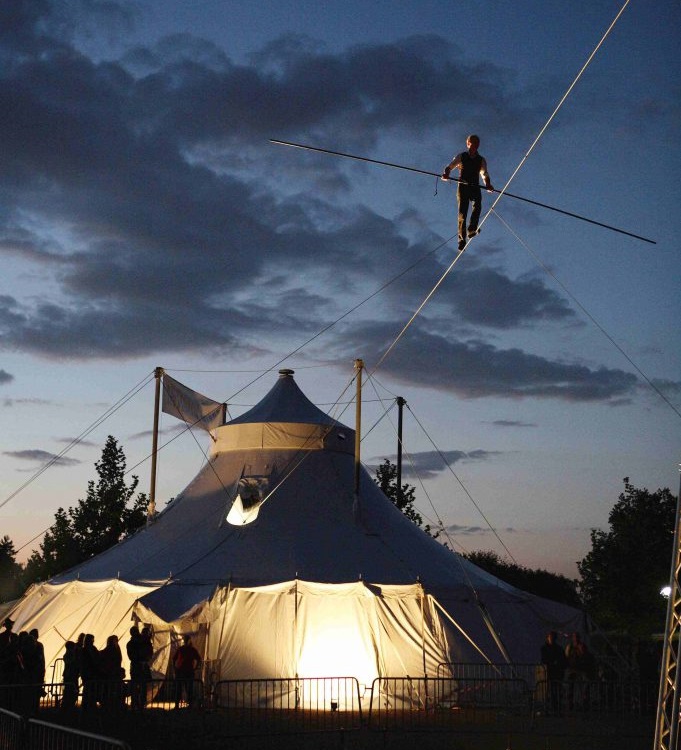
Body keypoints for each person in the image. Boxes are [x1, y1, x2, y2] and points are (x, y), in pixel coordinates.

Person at [441, 134, 494, 251]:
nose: (473, 145)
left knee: (477, 205)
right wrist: (446, 174)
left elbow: (485, 174)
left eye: (475, 143)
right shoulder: (462, 156)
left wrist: (488, 185)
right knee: (462, 213)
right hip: (463, 186)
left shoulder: (481, 160)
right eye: (471, 142)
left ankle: (471, 229)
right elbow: (450, 166)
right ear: (468, 143)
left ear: (478, 145)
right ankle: (461, 240)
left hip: (474, 186)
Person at [540, 630, 566, 715]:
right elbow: (544, 660)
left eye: (553, 638)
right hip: (549, 672)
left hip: (557, 672)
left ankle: (556, 707)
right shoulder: (544, 649)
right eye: (551, 637)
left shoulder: (559, 649)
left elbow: (563, 659)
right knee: (549, 690)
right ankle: (549, 707)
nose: (552, 639)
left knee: (557, 690)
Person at [172, 635, 201, 709]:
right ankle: (184, 705)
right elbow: (198, 659)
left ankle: (182, 705)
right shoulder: (189, 649)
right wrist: (195, 668)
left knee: (184, 688)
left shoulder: (182, 649)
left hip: (184, 671)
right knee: (185, 688)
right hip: (186, 671)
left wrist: (175, 668)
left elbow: (174, 659)